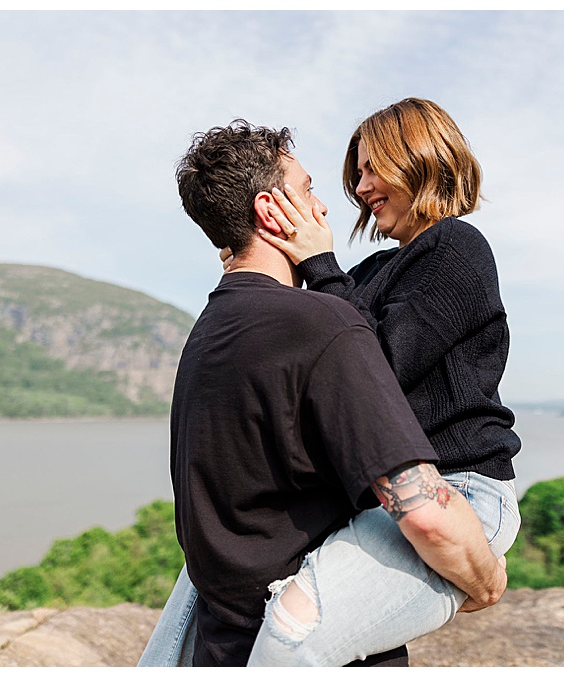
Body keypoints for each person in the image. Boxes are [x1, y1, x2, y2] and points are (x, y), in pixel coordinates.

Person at [141, 120, 508, 667]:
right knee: (192, 595)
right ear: (270, 210)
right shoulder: (375, 270)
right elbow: (340, 355)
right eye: (348, 174)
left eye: (371, 167)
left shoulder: (455, 245)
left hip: (459, 484)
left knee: (293, 625)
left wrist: (318, 270)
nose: (354, 190)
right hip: (388, 490)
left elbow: (370, 371)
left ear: (421, 159)